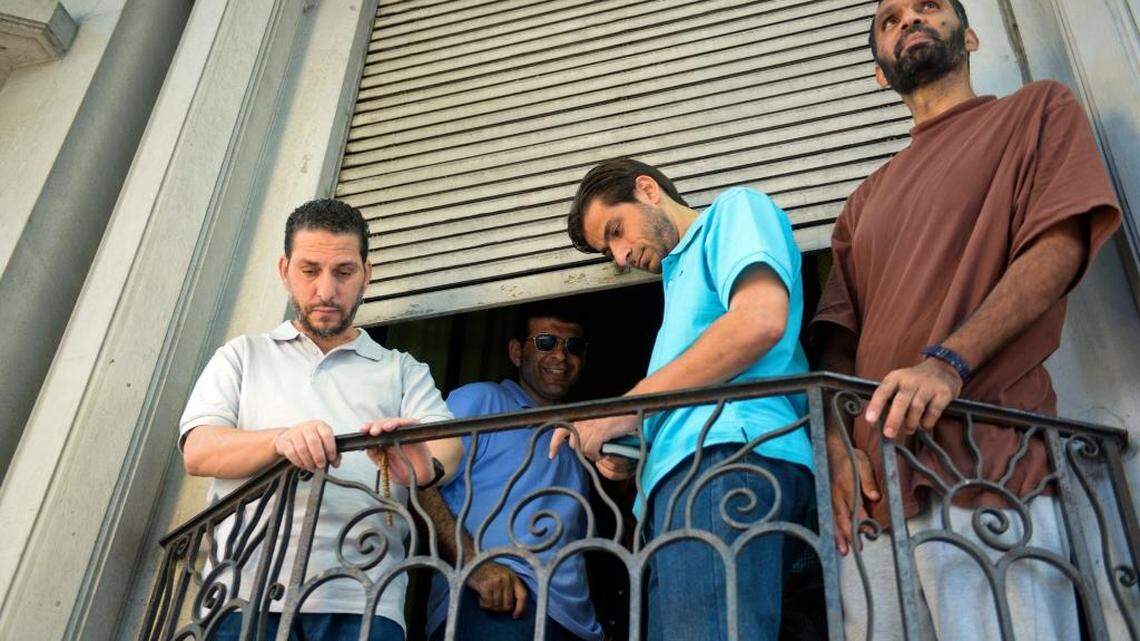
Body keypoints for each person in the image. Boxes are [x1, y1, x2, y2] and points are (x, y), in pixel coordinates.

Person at [811, 1, 1122, 640]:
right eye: (889, 21)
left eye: (927, 7)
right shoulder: (863, 200)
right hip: (876, 500)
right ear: (879, 73)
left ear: (970, 35)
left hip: (990, 465)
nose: (909, 21)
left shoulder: (1034, 111)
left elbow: (1058, 246)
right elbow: (837, 341)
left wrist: (948, 362)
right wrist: (840, 447)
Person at [554, 158, 815, 641]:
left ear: (648, 190)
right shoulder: (677, 288)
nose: (620, 256)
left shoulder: (734, 211)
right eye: (607, 248)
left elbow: (760, 321)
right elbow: (688, 394)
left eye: (616, 231)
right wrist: (637, 448)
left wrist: (623, 410)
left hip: (724, 466)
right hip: (687, 488)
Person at [179, 198, 464, 641]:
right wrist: (280, 441)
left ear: (367, 273)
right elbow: (198, 450)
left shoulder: (401, 369)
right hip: (245, 598)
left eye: (344, 272)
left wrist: (426, 463)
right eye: (310, 271)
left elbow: (450, 445)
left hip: (367, 603)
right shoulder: (242, 355)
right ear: (284, 270)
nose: (326, 291)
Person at [419, 304, 603, 641]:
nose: (561, 356)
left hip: (573, 621)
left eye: (573, 346)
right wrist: (474, 564)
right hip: (494, 601)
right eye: (546, 342)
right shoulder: (483, 401)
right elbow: (420, 481)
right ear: (517, 352)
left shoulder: (579, 435)